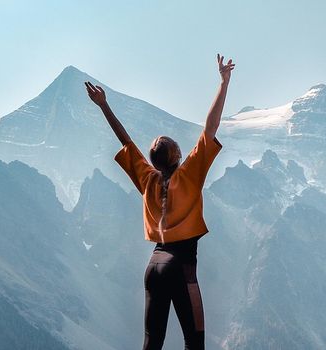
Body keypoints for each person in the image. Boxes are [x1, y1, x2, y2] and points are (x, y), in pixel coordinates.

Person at [84, 54, 234, 350]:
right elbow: (211, 127)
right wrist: (223, 83)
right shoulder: (189, 175)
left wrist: (104, 106)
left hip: (154, 265)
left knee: (152, 342)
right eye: (177, 145)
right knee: (195, 342)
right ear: (178, 156)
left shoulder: (148, 179)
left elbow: (126, 142)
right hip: (181, 266)